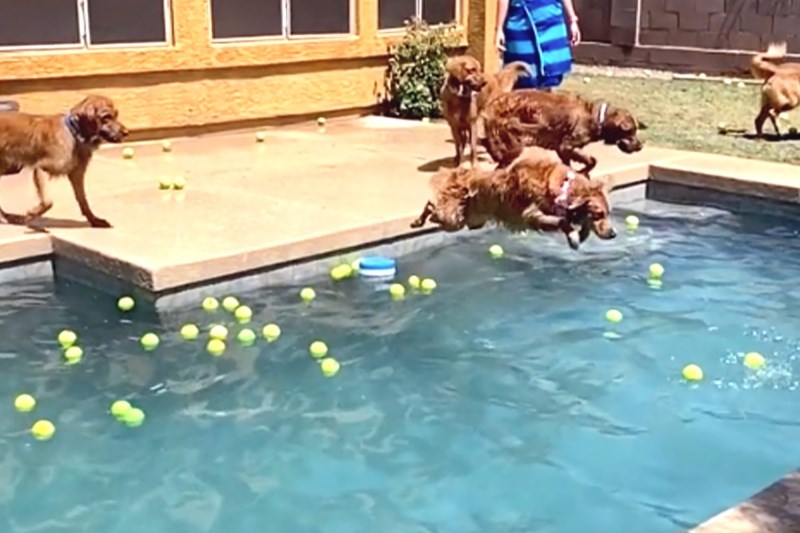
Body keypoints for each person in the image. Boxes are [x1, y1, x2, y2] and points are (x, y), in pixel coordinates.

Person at [495, 0, 581, 90]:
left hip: (550, 20)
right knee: (522, 74)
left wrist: (572, 20)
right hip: (522, 24)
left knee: (552, 73)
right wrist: (499, 29)